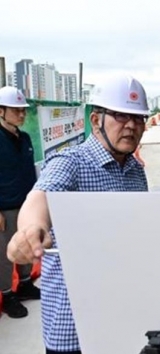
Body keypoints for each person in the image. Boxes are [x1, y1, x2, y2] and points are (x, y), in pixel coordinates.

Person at [7, 74, 150, 354]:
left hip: (122, 307)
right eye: (120, 116)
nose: (132, 126)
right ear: (96, 120)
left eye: (139, 118)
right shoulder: (71, 163)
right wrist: (30, 230)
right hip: (72, 317)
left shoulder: (135, 171)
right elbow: (40, 197)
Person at [0, 86, 39, 319]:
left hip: (26, 204)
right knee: (4, 255)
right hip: (4, 208)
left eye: (23, 111)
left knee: (26, 245)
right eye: (16, 111)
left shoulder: (24, 138)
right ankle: (7, 295)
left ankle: (24, 284)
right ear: (1, 111)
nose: (22, 115)